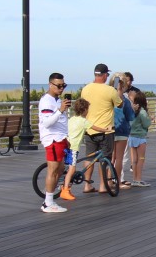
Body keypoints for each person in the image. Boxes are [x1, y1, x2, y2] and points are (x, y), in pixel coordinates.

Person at [80, 62, 122, 193]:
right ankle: (103, 186)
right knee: (105, 158)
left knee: (89, 157)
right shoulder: (110, 90)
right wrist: (118, 91)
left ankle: (87, 185)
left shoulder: (85, 89)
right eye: (107, 75)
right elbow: (119, 105)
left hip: (89, 128)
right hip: (106, 130)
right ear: (104, 75)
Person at [62, 98, 111, 199]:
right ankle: (65, 190)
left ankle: (66, 187)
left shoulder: (72, 119)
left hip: (66, 144)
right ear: (84, 110)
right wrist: (106, 129)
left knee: (69, 167)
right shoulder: (84, 121)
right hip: (73, 148)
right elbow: (96, 128)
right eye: (87, 109)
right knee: (72, 169)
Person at [37, 72, 71, 212]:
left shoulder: (57, 100)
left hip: (60, 137)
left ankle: (49, 199)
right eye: (59, 86)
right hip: (52, 138)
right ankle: (48, 202)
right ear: (50, 85)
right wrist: (60, 110)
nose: (61, 88)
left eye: (64, 85)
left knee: (60, 169)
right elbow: (47, 123)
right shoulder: (47, 101)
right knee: (53, 170)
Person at [110, 72, 135, 189]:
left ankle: (108, 181)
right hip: (122, 130)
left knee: (110, 158)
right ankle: (118, 181)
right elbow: (130, 117)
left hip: (108, 129)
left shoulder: (108, 97)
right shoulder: (124, 100)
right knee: (119, 158)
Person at [128, 90, 151, 186]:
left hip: (131, 137)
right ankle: (139, 179)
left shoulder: (132, 111)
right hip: (140, 137)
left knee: (134, 160)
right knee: (141, 158)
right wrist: (150, 119)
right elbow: (146, 124)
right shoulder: (142, 112)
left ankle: (134, 179)